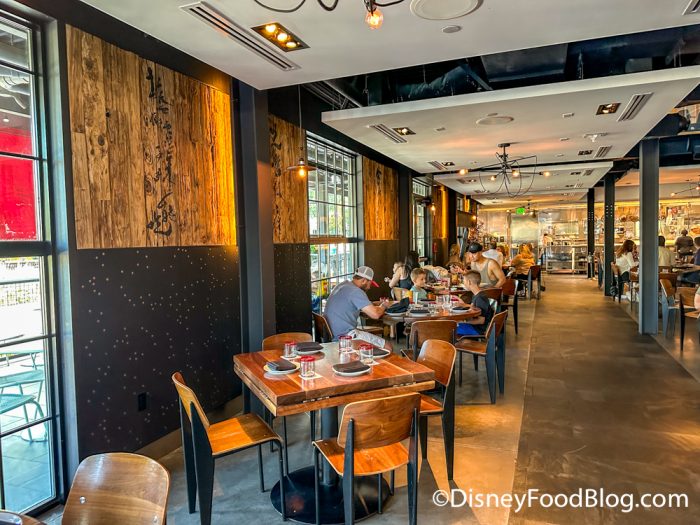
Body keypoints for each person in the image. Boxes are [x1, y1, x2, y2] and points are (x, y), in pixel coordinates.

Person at [324, 266, 391, 339]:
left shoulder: (344, 285)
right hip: (344, 336)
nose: (369, 287)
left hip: (332, 333)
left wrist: (373, 304)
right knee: (388, 345)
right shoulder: (355, 291)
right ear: (364, 281)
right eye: (370, 284)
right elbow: (375, 314)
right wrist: (384, 305)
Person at [455, 270, 494, 336]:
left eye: (464, 281)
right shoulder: (476, 294)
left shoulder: (480, 298)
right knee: (450, 325)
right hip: (473, 326)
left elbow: (481, 321)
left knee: (449, 329)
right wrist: (462, 303)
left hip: (477, 329)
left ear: (469, 282)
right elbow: (473, 307)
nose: (463, 284)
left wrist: (463, 321)